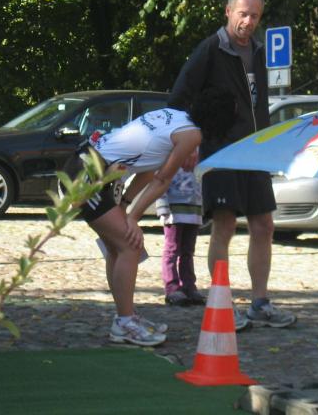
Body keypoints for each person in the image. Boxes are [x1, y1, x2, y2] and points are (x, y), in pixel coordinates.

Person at [64, 88, 235, 346]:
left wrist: (125, 205)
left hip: (90, 164)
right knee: (129, 245)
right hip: (90, 173)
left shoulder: (173, 116)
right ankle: (124, 322)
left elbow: (148, 169)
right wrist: (133, 218)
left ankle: (126, 315)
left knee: (117, 247)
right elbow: (163, 179)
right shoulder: (192, 135)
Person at [169, 0, 296, 330]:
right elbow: (179, 98)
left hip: (256, 151)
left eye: (254, 16)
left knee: (264, 225)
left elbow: (259, 104)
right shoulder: (210, 50)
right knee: (224, 225)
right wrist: (189, 142)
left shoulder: (260, 52)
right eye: (243, 14)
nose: (248, 22)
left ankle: (260, 303)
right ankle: (221, 304)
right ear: (228, 12)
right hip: (221, 150)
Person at [156, 168, 205, 306]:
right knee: (172, 249)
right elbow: (159, 177)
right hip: (173, 210)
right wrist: (162, 205)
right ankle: (172, 288)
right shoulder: (170, 155)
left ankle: (189, 286)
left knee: (188, 251)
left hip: (194, 209)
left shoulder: (198, 157)